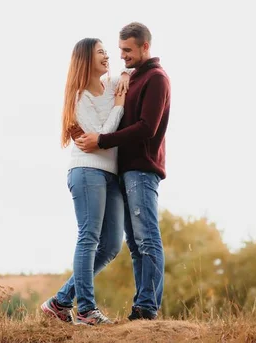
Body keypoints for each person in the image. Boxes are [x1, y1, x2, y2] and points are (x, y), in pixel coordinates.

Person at [75, 22, 171, 321]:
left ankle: (147, 306)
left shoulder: (156, 79)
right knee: (134, 243)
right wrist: (126, 75)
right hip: (126, 171)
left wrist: (102, 140)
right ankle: (141, 305)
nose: (122, 56)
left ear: (145, 47)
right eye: (120, 50)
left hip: (142, 169)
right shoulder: (134, 77)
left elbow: (146, 128)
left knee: (147, 239)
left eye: (128, 50)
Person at [40, 37, 129, 325]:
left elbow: (137, 72)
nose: (108, 56)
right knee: (89, 237)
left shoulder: (114, 83)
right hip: (87, 170)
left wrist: (127, 75)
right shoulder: (80, 98)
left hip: (111, 173)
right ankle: (86, 310)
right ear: (86, 60)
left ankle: (60, 302)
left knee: (112, 244)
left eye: (106, 51)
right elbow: (99, 139)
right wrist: (118, 105)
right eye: (101, 52)